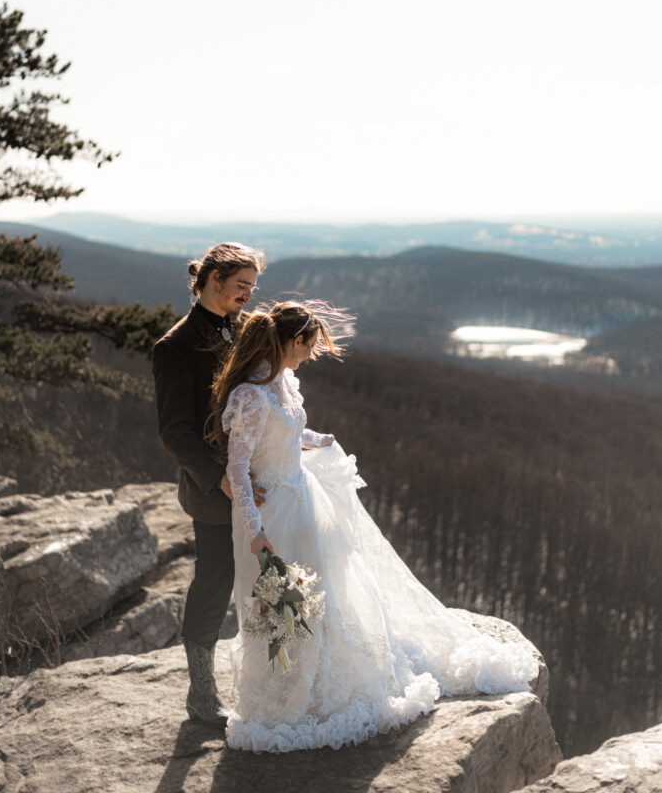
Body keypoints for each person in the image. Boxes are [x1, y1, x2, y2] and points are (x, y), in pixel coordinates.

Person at [208, 301, 538, 753]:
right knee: (281, 606)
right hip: (272, 515)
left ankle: (320, 681)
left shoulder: (283, 382)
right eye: (308, 345)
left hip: (304, 500)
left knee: (322, 597)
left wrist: (320, 440)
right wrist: (254, 530)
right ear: (292, 340)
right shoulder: (249, 394)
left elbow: (283, 434)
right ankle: (283, 695)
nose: (310, 354)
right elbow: (239, 466)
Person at [152, 241, 266, 726]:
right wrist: (219, 479)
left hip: (260, 479)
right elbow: (174, 431)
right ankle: (202, 694)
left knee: (267, 575)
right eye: (241, 285)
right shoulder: (174, 346)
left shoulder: (245, 330)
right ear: (212, 280)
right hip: (212, 490)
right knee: (216, 581)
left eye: (253, 288)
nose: (247, 295)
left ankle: (274, 683)